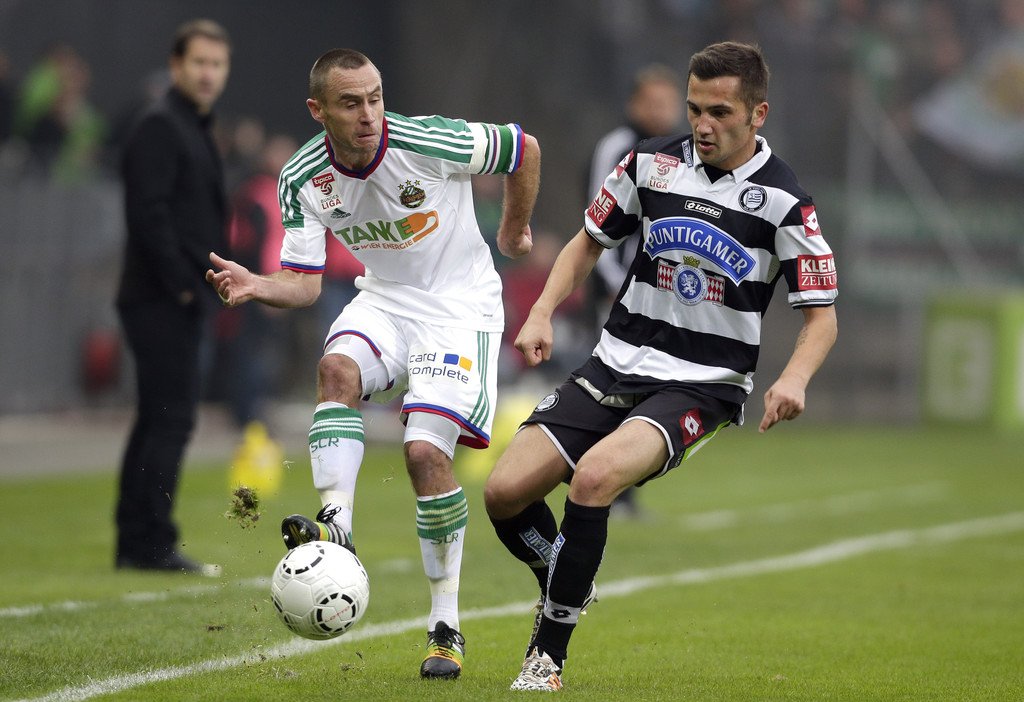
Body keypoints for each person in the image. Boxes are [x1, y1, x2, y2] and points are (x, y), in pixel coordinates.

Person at [483, 41, 838, 691]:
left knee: (594, 479)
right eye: (695, 108)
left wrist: (793, 378)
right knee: (503, 493)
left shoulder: (785, 201)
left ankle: (547, 656)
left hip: (702, 383)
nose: (703, 124)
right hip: (615, 361)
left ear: (757, 114)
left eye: (720, 112)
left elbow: (822, 316)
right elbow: (587, 243)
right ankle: (565, 575)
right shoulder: (650, 163)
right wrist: (540, 312)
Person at [205, 48, 539, 679]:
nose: (368, 114)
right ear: (318, 111)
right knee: (335, 371)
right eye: (351, 102)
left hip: (458, 309)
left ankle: (445, 625)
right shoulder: (302, 176)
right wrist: (257, 285)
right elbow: (304, 284)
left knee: (424, 455)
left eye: (375, 98)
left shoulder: (423, 140)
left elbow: (522, 149)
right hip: (385, 298)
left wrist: (513, 231)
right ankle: (338, 528)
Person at [114, 19, 231, 576]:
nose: (208, 73)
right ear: (176, 65)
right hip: (161, 298)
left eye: (217, 64)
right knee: (171, 419)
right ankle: (151, 543)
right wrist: (184, 285)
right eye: (199, 62)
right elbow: (148, 214)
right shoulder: (161, 124)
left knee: (156, 419)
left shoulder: (190, 124)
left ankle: (135, 540)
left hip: (169, 296)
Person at [586, 63, 684, 519]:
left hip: (658, 295)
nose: (662, 111)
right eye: (653, 102)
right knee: (612, 386)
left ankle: (620, 489)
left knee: (645, 389)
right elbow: (597, 222)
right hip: (618, 292)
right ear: (634, 104)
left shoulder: (680, 153)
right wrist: (612, 285)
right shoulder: (618, 146)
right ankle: (599, 486)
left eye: (669, 103)